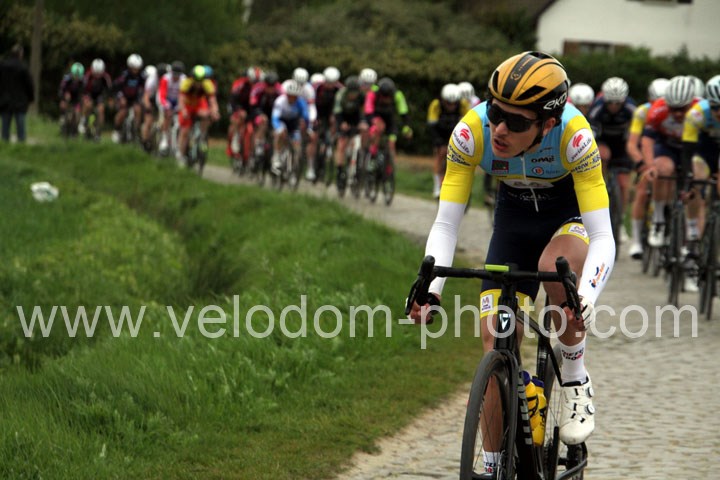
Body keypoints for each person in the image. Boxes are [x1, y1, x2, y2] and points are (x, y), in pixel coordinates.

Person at [408, 52, 614, 473]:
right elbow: (446, 223)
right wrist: (431, 288)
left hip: (568, 218)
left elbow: (603, 237)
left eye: (516, 122)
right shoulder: (470, 132)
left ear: (547, 124)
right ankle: (493, 465)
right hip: (513, 224)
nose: (499, 129)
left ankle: (575, 378)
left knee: (555, 267)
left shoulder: (574, 137)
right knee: (495, 340)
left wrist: (587, 297)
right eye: (496, 112)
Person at [643, 75, 701, 291]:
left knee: (698, 183)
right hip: (667, 148)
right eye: (673, 108)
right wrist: (650, 166)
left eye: (682, 109)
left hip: (692, 149)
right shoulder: (657, 110)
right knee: (662, 169)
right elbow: (647, 141)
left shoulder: (700, 111)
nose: (677, 114)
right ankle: (659, 219)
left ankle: (692, 240)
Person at [587, 77, 636, 246]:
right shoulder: (597, 108)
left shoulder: (631, 108)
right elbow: (590, 136)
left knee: (624, 185)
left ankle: (620, 221)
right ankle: (601, 182)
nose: (614, 106)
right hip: (603, 142)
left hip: (622, 146)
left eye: (618, 103)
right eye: (610, 103)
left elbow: (637, 132)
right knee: (603, 155)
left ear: (624, 100)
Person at [626, 78, 669, 259]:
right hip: (645, 151)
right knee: (642, 192)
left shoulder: (671, 112)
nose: (658, 106)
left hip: (664, 151)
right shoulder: (642, 112)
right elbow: (632, 144)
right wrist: (641, 163)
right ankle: (636, 241)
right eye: (654, 102)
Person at [427, 83, 469, 198]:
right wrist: (437, 141)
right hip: (440, 132)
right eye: (448, 103)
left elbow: (469, 123)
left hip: (455, 131)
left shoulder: (463, 104)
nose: (451, 106)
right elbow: (432, 125)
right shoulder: (436, 105)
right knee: (440, 154)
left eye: (454, 103)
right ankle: (437, 186)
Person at [364, 76, 412, 166]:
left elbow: (404, 112)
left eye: (388, 97)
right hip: (376, 118)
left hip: (390, 120)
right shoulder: (373, 94)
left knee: (391, 144)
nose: (385, 99)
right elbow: (368, 110)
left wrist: (406, 127)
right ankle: (372, 157)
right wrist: (374, 120)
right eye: (383, 96)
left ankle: (391, 167)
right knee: (377, 131)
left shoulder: (398, 95)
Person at [176, 65, 220, 165]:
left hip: (199, 105)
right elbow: (181, 100)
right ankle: (180, 154)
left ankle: (202, 137)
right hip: (187, 105)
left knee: (207, 114)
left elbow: (212, 100)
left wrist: (215, 111)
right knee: (185, 131)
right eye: (196, 81)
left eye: (201, 81)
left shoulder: (207, 84)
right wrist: (183, 110)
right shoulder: (187, 83)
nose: (198, 84)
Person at [270, 79, 310, 180]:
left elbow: (306, 118)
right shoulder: (280, 101)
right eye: (290, 96)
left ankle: (293, 166)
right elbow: (275, 118)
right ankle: (277, 157)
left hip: (293, 123)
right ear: (287, 95)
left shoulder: (301, 103)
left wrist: (307, 127)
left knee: (297, 143)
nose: (292, 98)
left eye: (294, 97)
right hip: (281, 121)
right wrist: (279, 129)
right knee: (280, 134)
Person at [333, 75, 367, 189]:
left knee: (360, 136)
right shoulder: (341, 94)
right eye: (351, 92)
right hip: (343, 117)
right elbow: (337, 111)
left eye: (355, 92)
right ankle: (339, 171)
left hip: (355, 118)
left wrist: (363, 122)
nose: (353, 95)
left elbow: (364, 111)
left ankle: (359, 162)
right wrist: (341, 123)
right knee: (342, 144)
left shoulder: (362, 96)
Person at [227, 66, 262, 169]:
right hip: (238, 105)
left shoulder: (260, 87)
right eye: (254, 81)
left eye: (257, 81)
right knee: (236, 119)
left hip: (251, 109)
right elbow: (233, 99)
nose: (255, 83)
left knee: (253, 128)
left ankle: (251, 153)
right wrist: (238, 110)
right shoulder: (240, 84)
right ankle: (235, 136)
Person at [0, 44, 34, 142]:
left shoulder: (3, 66)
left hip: (5, 101)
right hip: (20, 101)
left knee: (5, 127)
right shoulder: (23, 67)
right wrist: (31, 98)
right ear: (20, 54)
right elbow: (29, 84)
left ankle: (4, 144)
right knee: (21, 127)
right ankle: (21, 144)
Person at [112, 53, 146, 143]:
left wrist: (142, 98)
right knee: (123, 112)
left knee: (138, 110)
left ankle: (136, 130)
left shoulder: (141, 76)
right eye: (134, 68)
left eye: (137, 68)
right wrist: (121, 98)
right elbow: (117, 87)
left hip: (135, 97)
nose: (136, 70)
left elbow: (144, 88)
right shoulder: (124, 75)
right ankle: (117, 130)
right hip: (124, 96)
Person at [156, 61, 186, 155]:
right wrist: (167, 106)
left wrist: (180, 107)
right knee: (167, 116)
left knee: (181, 120)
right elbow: (162, 95)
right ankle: (164, 138)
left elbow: (184, 95)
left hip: (178, 101)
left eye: (178, 75)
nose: (176, 77)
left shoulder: (184, 79)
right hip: (166, 99)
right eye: (174, 74)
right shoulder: (166, 78)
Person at [81, 58, 112, 140]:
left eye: (99, 73)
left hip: (99, 95)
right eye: (96, 73)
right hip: (89, 94)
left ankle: (98, 131)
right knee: (88, 105)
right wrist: (85, 98)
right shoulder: (88, 76)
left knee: (101, 110)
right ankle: (84, 121)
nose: (98, 76)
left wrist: (110, 100)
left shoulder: (106, 77)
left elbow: (109, 90)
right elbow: (83, 89)